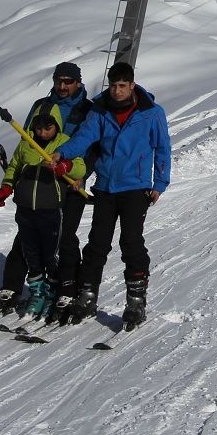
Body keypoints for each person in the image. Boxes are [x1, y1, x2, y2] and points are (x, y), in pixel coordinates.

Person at [50, 61, 170, 329]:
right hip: (105, 186)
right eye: (113, 86)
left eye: (122, 86)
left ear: (131, 84)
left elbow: (162, 148)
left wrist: (160, 183)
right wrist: (63, 153)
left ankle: (136, 300)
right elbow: (85, 138)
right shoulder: (100, 109)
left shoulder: (151, 113)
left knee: (131, 243)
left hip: (136, 187)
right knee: (97, 244)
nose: (116, 91)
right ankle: (87, 295)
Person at [0, 61, 96, 318]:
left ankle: (67, 288)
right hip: (41, 180)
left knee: (64, 236)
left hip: (71, 179)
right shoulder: (41, 105)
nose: (62, 86)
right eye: (58, 80)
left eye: (68, 81)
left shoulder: (87, 110)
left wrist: (81, 174)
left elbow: (93, 145)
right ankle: (12, 285)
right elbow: (26, 140)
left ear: (78, 82)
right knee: (27, 235)